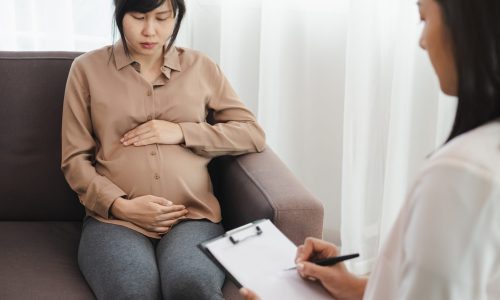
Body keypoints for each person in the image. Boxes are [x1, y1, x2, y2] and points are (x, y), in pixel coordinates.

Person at [241, 0, 500, 299]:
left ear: (470, 25)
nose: (422, 41)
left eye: (424, 18)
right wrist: (355, 287)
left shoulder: (461, 174)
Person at [60, 0, 265, 299]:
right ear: (120, 13)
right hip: (116, 220)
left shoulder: (201, 67)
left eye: (162, 18)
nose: (150, 30)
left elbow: (251, 134)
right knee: (132, 289)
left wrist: (181, 131)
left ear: (177, 16)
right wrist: (120, 205)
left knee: (191, 282)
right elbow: (74, 159)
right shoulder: (86, 70)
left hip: (192, 216)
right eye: (139, 17)